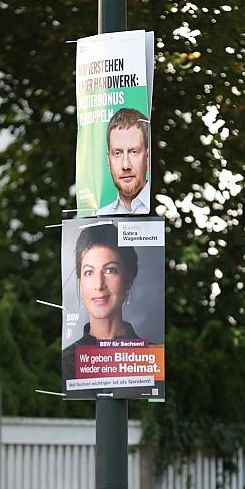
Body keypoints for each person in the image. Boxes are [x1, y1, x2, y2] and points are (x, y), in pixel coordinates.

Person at [62, 223, 147, 383]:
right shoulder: (65, 362)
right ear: (80, 284)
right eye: (89, 272)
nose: (99, 284)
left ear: (127, 280)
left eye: (110, 270)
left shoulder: (149, 357)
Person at [97, 108, 150, 215]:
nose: (126, 165)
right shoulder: (100, 216)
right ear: (109, 160)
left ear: (147, 157)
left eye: (134, 152)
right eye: (117, 153)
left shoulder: (164, 210)